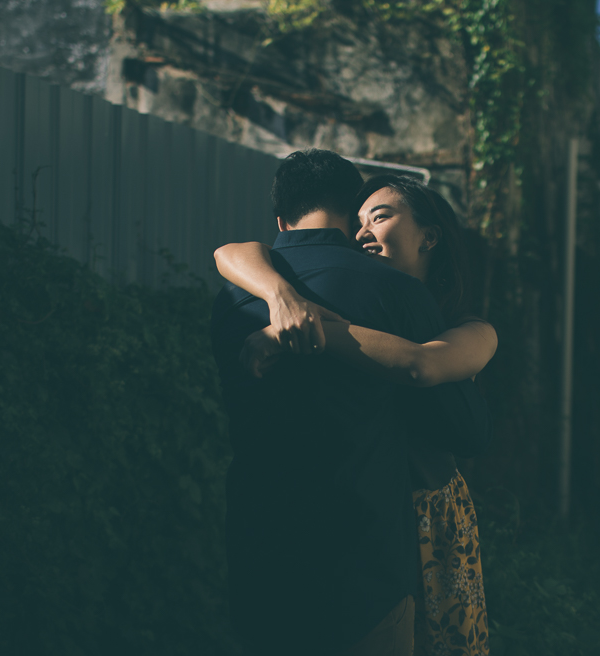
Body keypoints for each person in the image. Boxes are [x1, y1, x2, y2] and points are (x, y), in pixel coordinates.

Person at [210, 151, 491, 656]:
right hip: (371, 557)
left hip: (409, 532)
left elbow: (423, 371)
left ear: (430, 236)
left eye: (379, 216)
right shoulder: (386, 294)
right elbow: (230, 250)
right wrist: (283, 299)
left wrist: (291, 322)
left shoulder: (471, 328)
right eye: (359, 217)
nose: (362, 231)